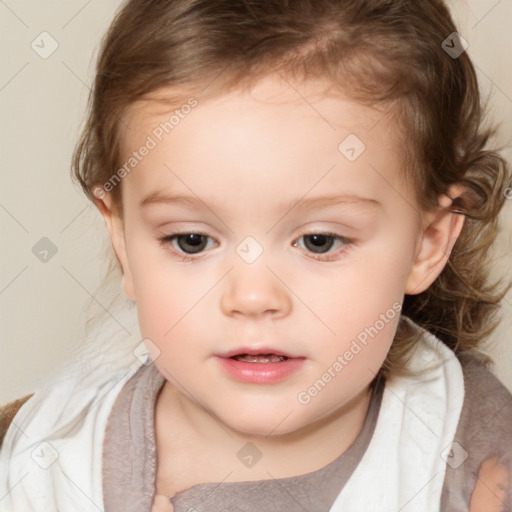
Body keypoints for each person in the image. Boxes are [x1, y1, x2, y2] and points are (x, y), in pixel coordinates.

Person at [0, 0, 511, 510]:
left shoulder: (474, 455)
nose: (251, 297)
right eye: (191, 241)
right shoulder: (42, 458)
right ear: (123, 241)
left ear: (427, 241)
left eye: (319, 241)